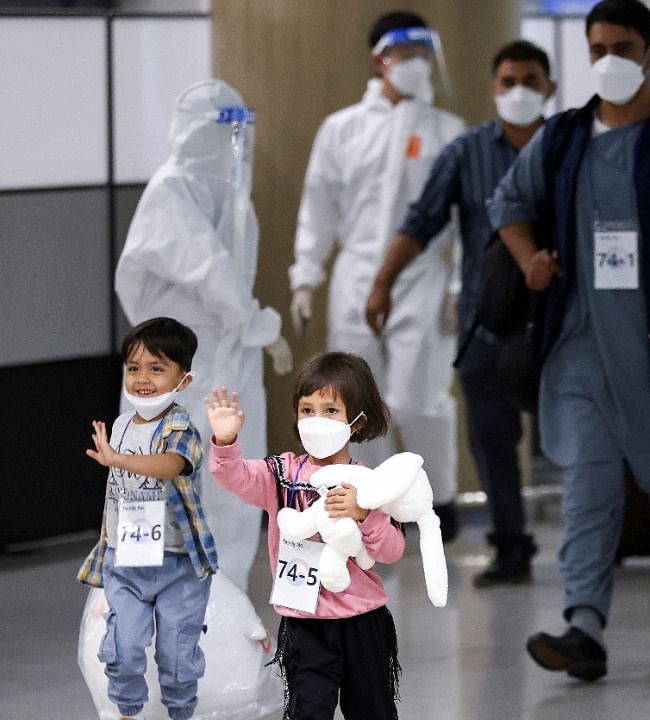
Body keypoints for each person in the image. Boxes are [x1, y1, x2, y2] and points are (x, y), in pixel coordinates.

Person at [488, 0, 650, 680]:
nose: (610, 61)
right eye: (597, 48)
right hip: (579, 347)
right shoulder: (563, 138)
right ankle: (583, 626)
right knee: (587, 489)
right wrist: (530, 260)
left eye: (624, 47)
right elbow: (507, 205)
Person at [367, 39, 558, 587]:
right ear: (494, 88)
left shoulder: (567, 149)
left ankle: (608, 542)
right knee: (493, 439)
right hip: (490, 318)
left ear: (549, 87)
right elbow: (421, 221)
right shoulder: (468, 152)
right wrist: (382, 283)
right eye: (508, 81)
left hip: (564, 318)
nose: (518, 91)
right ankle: (511, 545)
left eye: (529, 80)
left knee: (586, 436)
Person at [289, 11, 466, 539]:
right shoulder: (343, 129)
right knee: (358, 402)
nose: (415, 64)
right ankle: (373, 503)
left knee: (421, 396)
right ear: (379, 59)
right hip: (355, 276)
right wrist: (306, 276)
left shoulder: (447, 131)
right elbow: (317, 206)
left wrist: (458, 285)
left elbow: (460, 218)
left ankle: (441, 502)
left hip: (423, 279)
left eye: (422, 53)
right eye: (403, 53)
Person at [115, 79, 292, 591]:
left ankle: (222, 600)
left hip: (229, 358)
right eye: (224, 131)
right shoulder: (171, 190)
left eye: (241, 130)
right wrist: (257, 322)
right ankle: (139, 603)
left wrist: (250, 327)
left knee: (231, 481)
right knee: (154, 479)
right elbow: (207, 267)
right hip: (175, 362)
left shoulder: (234, 195)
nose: (234, 142)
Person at [206, 353, 405, 720]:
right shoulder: (280, 474)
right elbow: (233, 475)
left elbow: (392, 550)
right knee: (307, 710)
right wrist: (225, 439)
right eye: (307, 409)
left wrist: (363, 514)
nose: (316, 420)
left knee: (372, 710)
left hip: (363, 622)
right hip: (304, 623)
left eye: (330, 411)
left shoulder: (369, 483)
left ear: (357, 422)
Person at [78, 317, 216, 720]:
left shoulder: (182, 427)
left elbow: (171, 464)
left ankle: (180, 712)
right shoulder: (120, 426)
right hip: (129, 559)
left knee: (176, 653)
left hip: (178, 565)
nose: (143, 378)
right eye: (134, 368)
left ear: (183, 380)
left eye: (157, 369)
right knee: (123, 645)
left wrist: (119, 459)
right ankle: (127, 712)